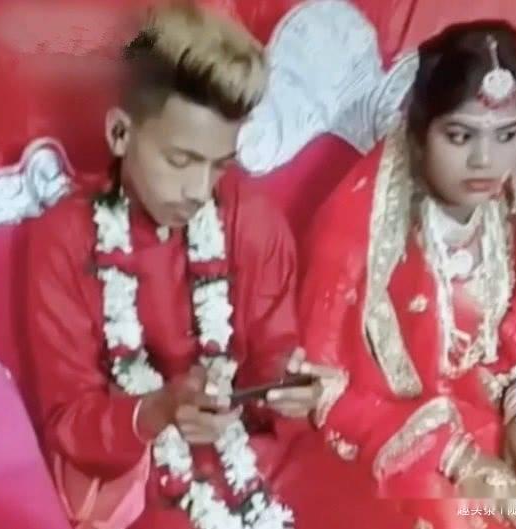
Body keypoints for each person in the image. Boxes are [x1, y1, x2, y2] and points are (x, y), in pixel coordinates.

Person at [25, 4, 325, 528]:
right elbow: (70, 423)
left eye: (219, 165)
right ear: (121, 134)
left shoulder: (253, 220)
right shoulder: (64, 242)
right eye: (180, 161)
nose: (198, 189)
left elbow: (272, 359)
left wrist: (289, 387)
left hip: (258, 464)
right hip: (140, 484)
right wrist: (157, 409)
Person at [290, 20, 516, 528]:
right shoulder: (355, 230)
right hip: (398, 445)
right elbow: (321, 389)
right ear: (419, 133)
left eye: (506, 135)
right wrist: (459, 460)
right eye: (460, 135)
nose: (485, 160)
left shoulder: (507, 208)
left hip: (491, 420)